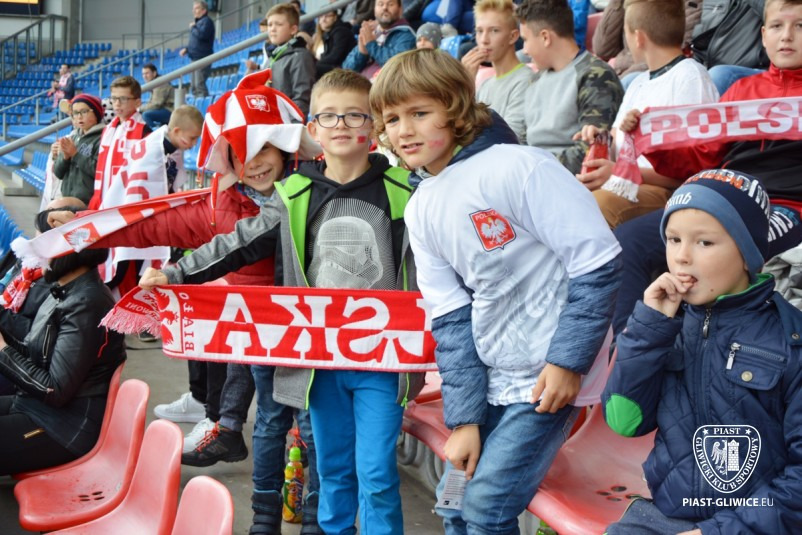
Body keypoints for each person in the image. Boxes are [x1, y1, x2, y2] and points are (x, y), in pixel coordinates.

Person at [139, 67, 425, 534]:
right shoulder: (294, 193)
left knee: (375, 474)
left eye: (355, 115)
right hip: (319, 363)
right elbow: (238, 242)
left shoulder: (406, 191)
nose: (342, 125)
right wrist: (176, 272)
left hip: (381, 363)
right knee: (332, 468)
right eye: (329, 117)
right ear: (312, 129)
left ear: (374, 125)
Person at [370, 48, 622, 533]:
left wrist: (567, 363)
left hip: (548, 378)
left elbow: (597, 264)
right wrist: (464, 420)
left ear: (455, 109)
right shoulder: (420, 206)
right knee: (454, 502)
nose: (404, 131)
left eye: (419, 113)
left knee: (486, 508)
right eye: (393, 119)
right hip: (489, 376)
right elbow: (450, 317)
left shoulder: (520, 167)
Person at [134, 69, 324, 535]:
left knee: (312, 431)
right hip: (266, 328)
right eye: (242, 155)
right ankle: (264, 519)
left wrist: (178, 272)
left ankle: (318, 523)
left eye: (264, 151)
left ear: (286, 149)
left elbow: (240, 241)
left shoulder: (308, 189)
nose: (255, 164)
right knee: (270, 425)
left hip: (316, 337)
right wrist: (173, 271)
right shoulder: (237, 194)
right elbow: (229, 242)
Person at [603, 170, 802, 534]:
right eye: (673, 239)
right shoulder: (664, 326)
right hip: (668, 516)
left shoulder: (791, 340)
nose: (681, 257)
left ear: (748, 254)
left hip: (761, 523)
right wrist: (649, 328)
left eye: (704, 242)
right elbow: (624, 420)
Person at [608, 0, 802, 337]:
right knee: (628, 241)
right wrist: (650, 139)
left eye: (800, 26)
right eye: (776, 26)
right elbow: (701, 159)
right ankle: (632, 346)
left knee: (737, 248)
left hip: (787, 206)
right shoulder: (740, 92)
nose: (786, 36)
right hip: (722, 200)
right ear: (763, 35)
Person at [575, 0, 719, 228]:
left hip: (668, 192)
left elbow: (695, 170)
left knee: (595, 205)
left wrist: (619, 173)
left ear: (638, 38)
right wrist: (600, 138)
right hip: (628, 184)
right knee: (566, 198)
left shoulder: (690, 77)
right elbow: (616, 143)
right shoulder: (638, 82)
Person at [0, 210, 124, 475]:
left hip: (62, 427)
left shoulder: (88, 303)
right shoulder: (65, 291)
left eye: (43, 245)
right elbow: (36, 354)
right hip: (33, 407)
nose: (36, 255)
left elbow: (54, 390)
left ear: (67, 251)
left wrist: (3, 352)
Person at [518, 0, 623, 174]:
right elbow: (522, 141)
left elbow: (591, 151)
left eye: (525, 40)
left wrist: (529, 169)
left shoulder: (596, 75)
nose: (524, 50)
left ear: (545, 37)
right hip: (531, 175)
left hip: (563, 180)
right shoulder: (535, 80)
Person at [462, 0, 534, 142]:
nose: (484, 40)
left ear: (513, 36)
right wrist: (464, 86)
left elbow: (511, 138)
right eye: (479, 31)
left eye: (494, 30)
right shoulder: (485, 85)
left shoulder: (525, 80)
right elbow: (464, 132)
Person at [260, 2, 316, 116]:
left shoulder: (300, 57)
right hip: (270, 121)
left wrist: (290, 125)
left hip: (287, 124)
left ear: (293, 29)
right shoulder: (271, 59)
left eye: (279, 24)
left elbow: (302, 98)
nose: (272, 29)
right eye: (270, 25)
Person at [52, 95, 105, 205]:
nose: (79, 117)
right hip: (67, 197)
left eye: (84, 111)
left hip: (88, 203)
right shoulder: (73, 138)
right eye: (75, 113)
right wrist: (65, 158)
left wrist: (75, 154)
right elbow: (58, 173)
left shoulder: (103, 138)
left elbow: (99, 171)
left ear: (96, 113)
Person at [342, 0, 416, 78]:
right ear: (374, 10)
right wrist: (361, 53)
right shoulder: (371, 32)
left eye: (390, 4)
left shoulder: (406, 35)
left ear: (400, 9)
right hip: (360, 83)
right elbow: (346, 70)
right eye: (380, 4)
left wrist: (371, 45)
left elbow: (397, 66)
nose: (384, 8)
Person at [180, 0, 216, 97]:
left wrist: (193, 28)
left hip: (202, 58)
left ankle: (203, 105)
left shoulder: (207, 22)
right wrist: (187, 49)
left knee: (199, 85)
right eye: (193, 9)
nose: (194, 11)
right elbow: (197, 42)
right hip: (195, 58)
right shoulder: (199, 23)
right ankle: (197, 104)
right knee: (194, 87)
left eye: (196, 8)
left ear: (204, 10)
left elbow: (202, 35)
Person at [312, 5, 356, 79]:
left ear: (335, 17)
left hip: (345, 71)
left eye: (327, 16)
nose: (323, 19)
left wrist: (315, 64)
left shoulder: (341, 31)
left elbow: (335, 57)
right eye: (321, 16)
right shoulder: (328, 33)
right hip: (338, 68)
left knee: (313, 68)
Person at [140, 63, 175, 131]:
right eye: (143, 74)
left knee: (146, 115)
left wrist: (140, 108)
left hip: (170, 110)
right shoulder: (154, 83)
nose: (144, 76)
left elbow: (156, 104)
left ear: (154, 73)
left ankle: (154, 133)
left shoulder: (160, 83)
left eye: (147, 73)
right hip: (163, 109)